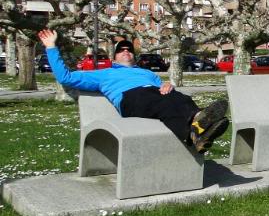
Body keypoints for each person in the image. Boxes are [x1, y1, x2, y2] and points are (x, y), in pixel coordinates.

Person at [38, 29, 229, 154]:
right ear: (114, 57)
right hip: (130, 99)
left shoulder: (146, 73)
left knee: (178, 97)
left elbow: (161, 87)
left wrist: (167, 85)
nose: (126, 51)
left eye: (129, 49)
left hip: (153, 96)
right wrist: (51, 47)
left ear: (134, 56)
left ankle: (198, 130)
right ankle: (198, 128)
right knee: (161, 101)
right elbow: (66, 78)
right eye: (121, 50)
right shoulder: (103, 73)